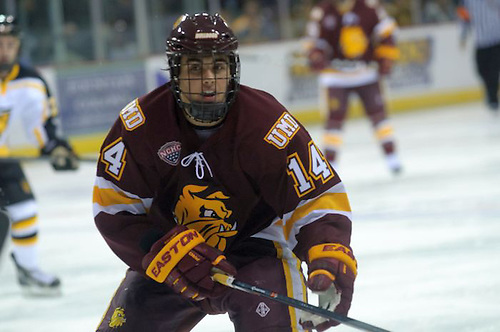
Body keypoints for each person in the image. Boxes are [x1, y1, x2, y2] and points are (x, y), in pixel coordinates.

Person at [93, 13, 356, 332]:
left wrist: (326, 254)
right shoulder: (140, 125)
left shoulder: (267, 124)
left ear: (232, 69)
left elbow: (314, 199)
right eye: (195, 68)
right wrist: (159, 249)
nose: (208, 79)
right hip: (172, 259)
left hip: (255, 250)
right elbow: (116, 208)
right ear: (175, 72)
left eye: (218, 67)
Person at [0, 14, 79, 296]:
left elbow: (44, 125)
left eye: (10, 43)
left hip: (2, 159)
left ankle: (27, 268)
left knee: (25, 209)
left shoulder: (30, 81)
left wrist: (57, 148)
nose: (4, 49)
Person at [305, 0, 402, 174]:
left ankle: (392, 157)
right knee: (334, 121)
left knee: (379, 115)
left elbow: (388, 33)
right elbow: (313, 41)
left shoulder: (370, 6)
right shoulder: (322, 11)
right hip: (336, 77)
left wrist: (386, 58)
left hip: (365, 74)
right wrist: (315, 56)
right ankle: (331, 166)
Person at [457, 0, 500, 112]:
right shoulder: (466, 2)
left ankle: (493, 98)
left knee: (493, 70)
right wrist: (463, 36)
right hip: (480, 41)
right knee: (481, 70)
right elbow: (465, 18)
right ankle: (491, 90)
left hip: (496, 39)